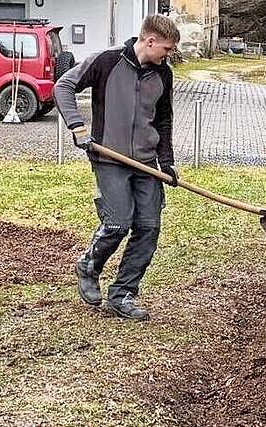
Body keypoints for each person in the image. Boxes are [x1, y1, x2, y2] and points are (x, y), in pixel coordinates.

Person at [54, 15, 180, 321]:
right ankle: (89, 265)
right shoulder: (107, 61)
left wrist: (168, 162)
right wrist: (76, 125)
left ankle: (122, 294)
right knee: (117, 223)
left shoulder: (164, 74)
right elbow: (64, 85)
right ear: (149, 41)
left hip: (147, 163)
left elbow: (163, 120)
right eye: (166, 48)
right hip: (110, 158)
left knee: (149, 228)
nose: (169, 55)